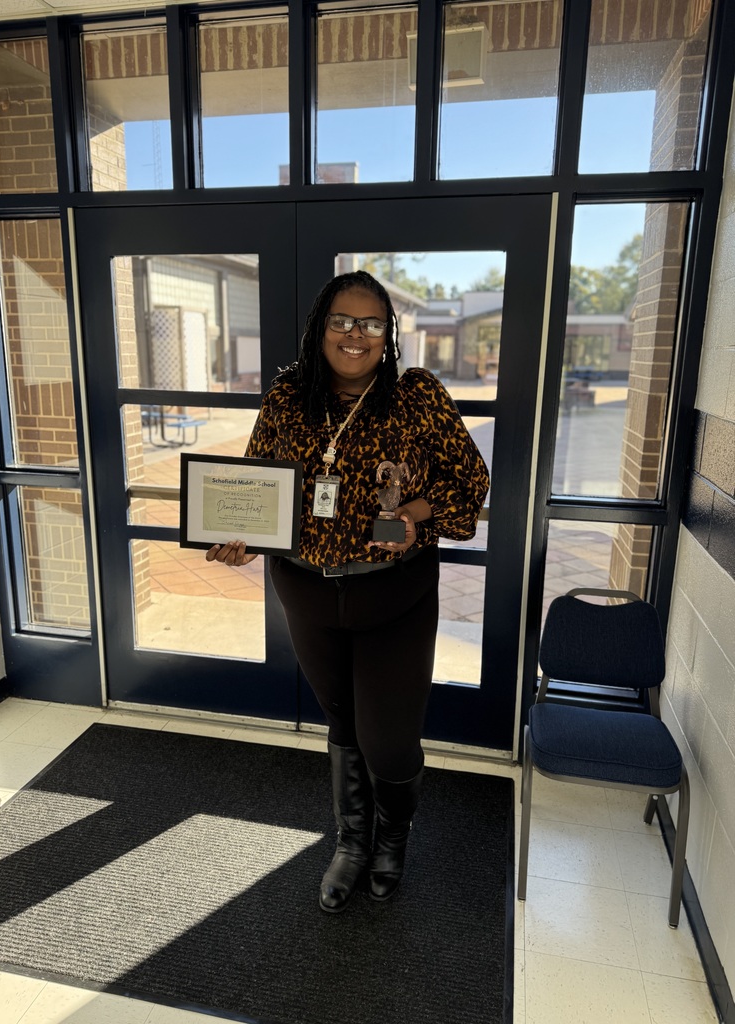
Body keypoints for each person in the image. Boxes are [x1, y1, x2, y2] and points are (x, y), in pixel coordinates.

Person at [206, 270, 489, 913]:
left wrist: (412, 515)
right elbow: (256, 484)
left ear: (387, 334)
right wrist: (241, 534)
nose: (355, 335)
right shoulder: (285, 396)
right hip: (306, 592)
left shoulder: (416, 396)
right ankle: (352, 844)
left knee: (387, 739)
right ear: (319, 328)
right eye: (342, 321)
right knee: (343, 724)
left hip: (394, 595)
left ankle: (394, 838)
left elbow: (470, 482)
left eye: (371, 323)